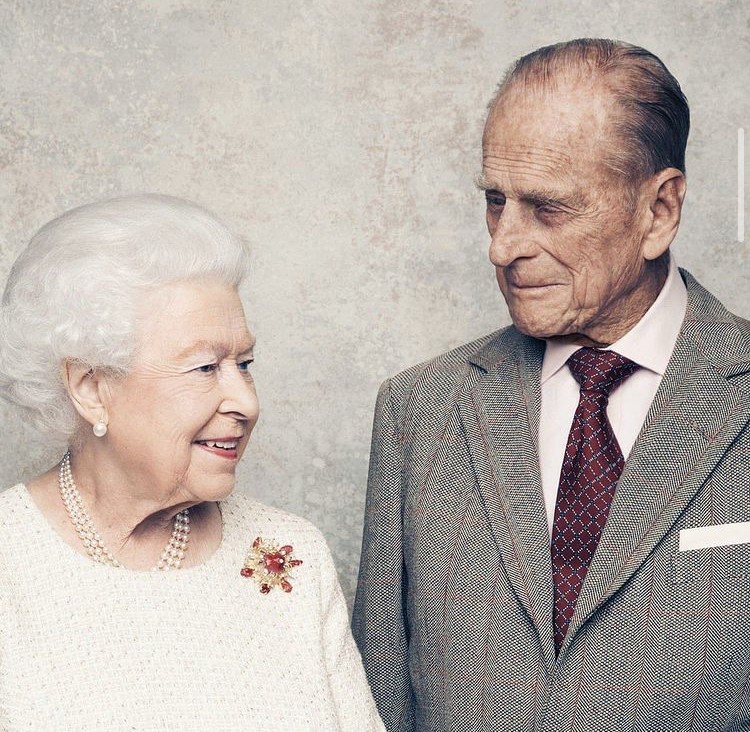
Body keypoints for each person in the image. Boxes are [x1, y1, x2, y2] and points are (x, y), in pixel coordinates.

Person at [353, 38, 750, 731]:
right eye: (495, 201)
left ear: (659, 210)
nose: (502, 246)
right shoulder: (418, 413)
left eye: (548, 208)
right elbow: (377, 706)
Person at [0, 194, 385, 732]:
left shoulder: (292, 552)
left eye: (244, 364)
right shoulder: (10, 563)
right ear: (91, 387)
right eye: (205, 368)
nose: (246, 403)